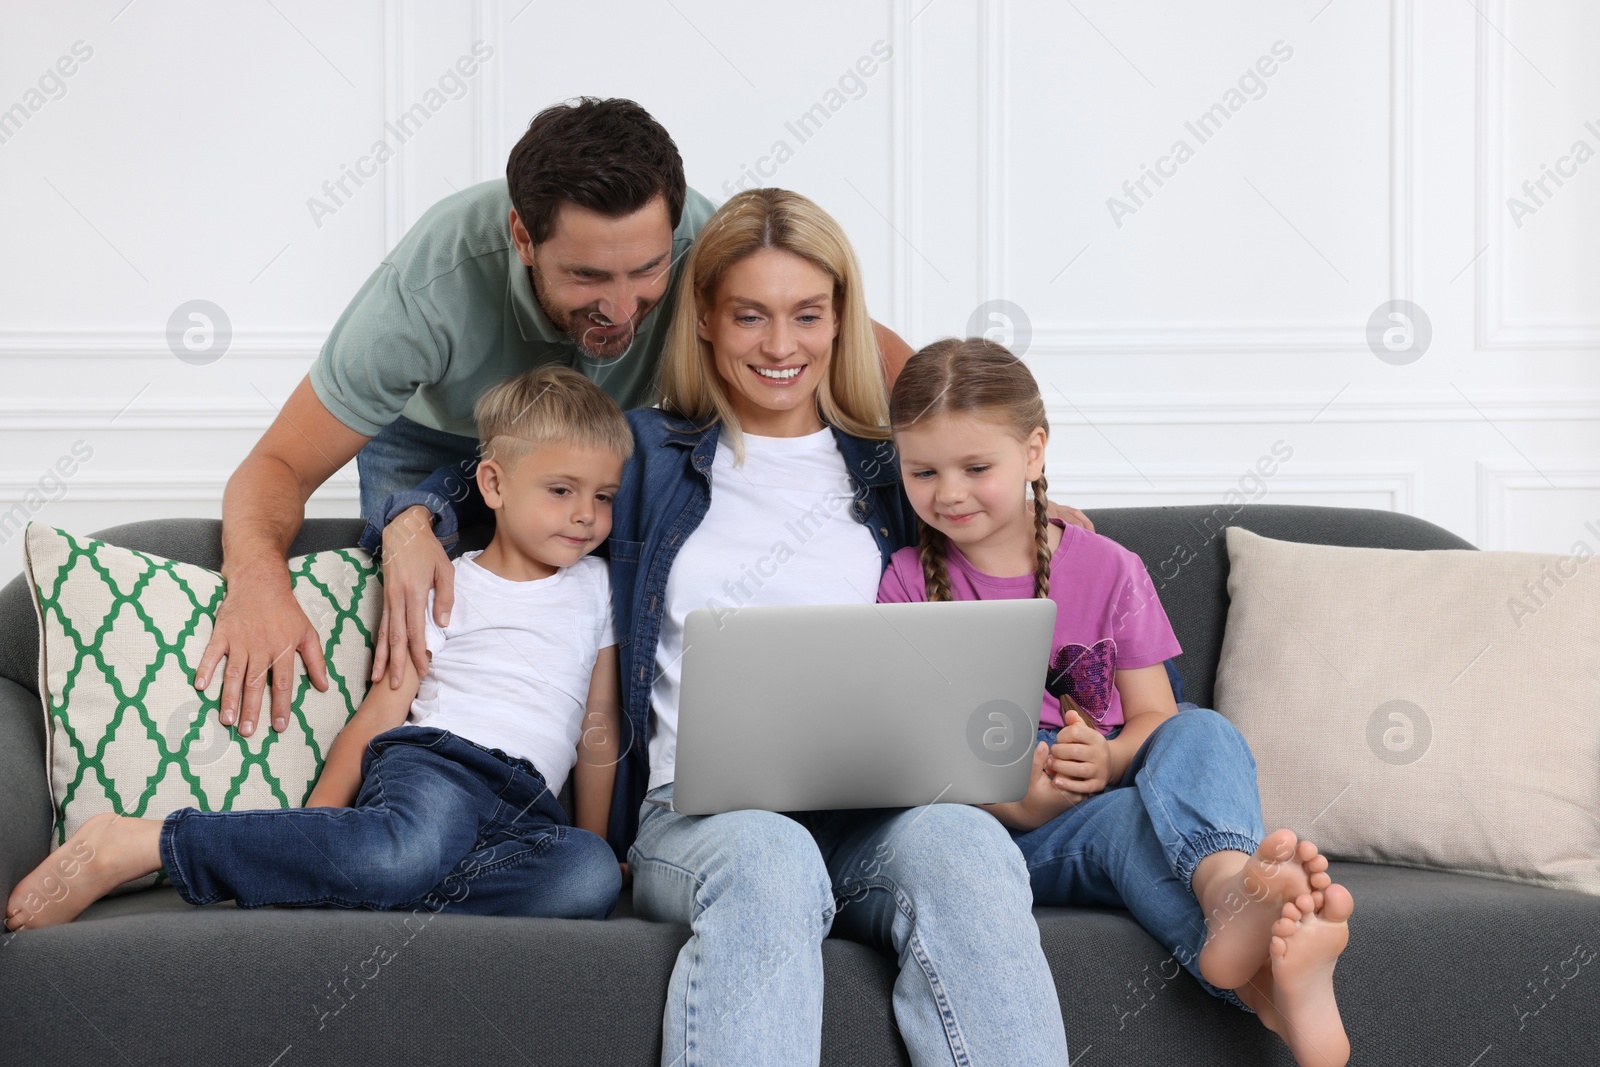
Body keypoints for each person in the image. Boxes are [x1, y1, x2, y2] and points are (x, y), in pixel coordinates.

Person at [194, 94, 922, 743]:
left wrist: (1010, 488)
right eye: (585, 276)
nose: (620, 307)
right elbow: (278, 465)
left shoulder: (701, 241)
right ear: (521, 238)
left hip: (607, 440)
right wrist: (261, 582)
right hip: (441, 439)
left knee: (578, 630)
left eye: (645, 271)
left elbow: (864, 346)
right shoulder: (426, 290)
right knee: (426, 636)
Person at [5, 367, 628, 930]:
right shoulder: (444, 581)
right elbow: (383, 711)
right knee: (403, 854)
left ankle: (345, 881)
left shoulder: (598, 588)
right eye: (561, 490)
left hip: (526, 805)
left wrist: (595, 838)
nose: (585, 516)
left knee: (588, 876)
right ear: (492, 484)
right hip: (442, 768)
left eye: (603, 496)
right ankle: (141, 844)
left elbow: (598, 726)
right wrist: (323, 822)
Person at [877, 337, 1355, 1067]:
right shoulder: (907, 581)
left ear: (1034, 452)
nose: (949, 492)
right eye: (923, 470)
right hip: (1011, 830)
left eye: (977, 467)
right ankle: (1261, 978)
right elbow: (915, 753)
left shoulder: (1107, 566)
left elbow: (1153, 717)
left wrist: (1107, 754)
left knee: (1203, 730)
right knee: (1127, 828)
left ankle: (1230, 887)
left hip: (1112, 783)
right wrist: (1019, 799)